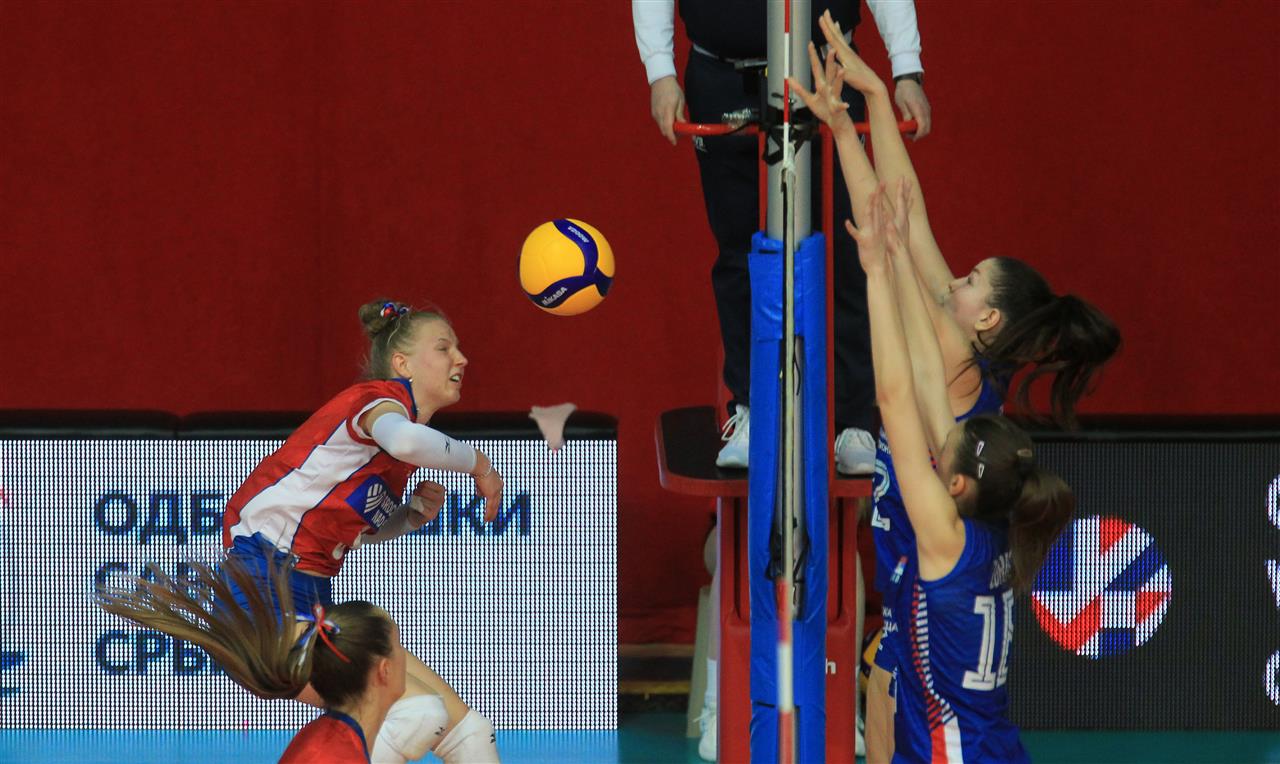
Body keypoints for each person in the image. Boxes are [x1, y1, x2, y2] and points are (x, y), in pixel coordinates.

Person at [790, 12, 1120, 760]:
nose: (954, 279)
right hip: (930, 575)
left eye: (970, 280)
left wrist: (847, 132)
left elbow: (892, 230)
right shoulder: (966, 339)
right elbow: (912, 216)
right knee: (897, 700)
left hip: (925, 564)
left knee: (891, 698)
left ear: (989, 317)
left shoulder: (948, 354)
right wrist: (875, 100)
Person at [632, 0, 932, 476]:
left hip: (824, 70)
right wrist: (660, 71)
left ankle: (853, 422)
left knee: (851, 252)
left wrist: (907, 69)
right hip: (722, 76)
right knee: (740, 257)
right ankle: (751, 411)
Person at [216, 298, 502, 764]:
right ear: (402, 364)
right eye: (444, 348)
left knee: (466, 729)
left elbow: (356, 532)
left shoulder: (392, 455)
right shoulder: (377, 401)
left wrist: (409, 517)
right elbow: (406, 439)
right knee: (418, 714)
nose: (461, 359)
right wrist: (480, 466)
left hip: (308, 595)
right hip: (264, 590)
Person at [851, 182, 1074, 762]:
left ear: (954, 484)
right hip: (994, 746)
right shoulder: (991, 533)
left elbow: (898, 396)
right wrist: (894, 260)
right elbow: (926, 382)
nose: (939, 439)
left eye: (946, 446)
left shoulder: (945, 543)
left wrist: (878, 274)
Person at [97, 553, 407, 763]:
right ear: (384, 670)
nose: (406, 658)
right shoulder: (333, 755)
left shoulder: (332, 740)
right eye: (397, 645)